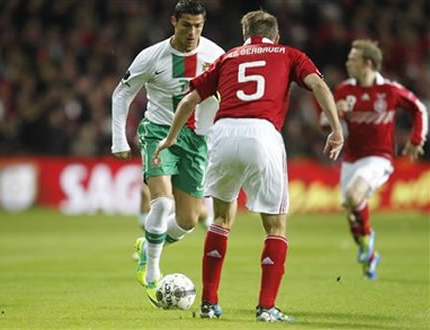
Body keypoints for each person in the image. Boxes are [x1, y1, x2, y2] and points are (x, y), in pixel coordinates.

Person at [152, 10, 344, 322]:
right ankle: (266, 308)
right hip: (262, 133)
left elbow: (188, 101)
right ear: (276, 35)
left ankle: (209, 304)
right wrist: (336, 129)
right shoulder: (289, 53)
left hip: (223, 133)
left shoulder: (228, 57)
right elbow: (319, 86)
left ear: (246, 35)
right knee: (275, 226)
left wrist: (170, 139)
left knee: (222, 219)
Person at [111, 0, 224, 307]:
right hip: (158, 133)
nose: (192, 32)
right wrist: (118, 139)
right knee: (162, 204)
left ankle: (147, 246)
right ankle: (150, 274)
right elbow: (122, 93)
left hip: (196, 139)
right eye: (186, 24)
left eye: (198, 26)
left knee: (187, 219)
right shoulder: (152, 56)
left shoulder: (215, 56)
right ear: (173, 22)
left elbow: (225, 96)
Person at [324, 39, 428, 280]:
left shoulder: (389, 90)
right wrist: (334, 114)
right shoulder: (343, 91)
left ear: (367, 63)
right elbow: (324, 124)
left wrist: (416, 140)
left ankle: (368, 240)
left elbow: (419, 108)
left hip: (378, 158)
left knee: (353, 195)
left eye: (353, 58)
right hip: (351, 160)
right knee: (351, 210)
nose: (348, 62)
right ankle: (368, 253)